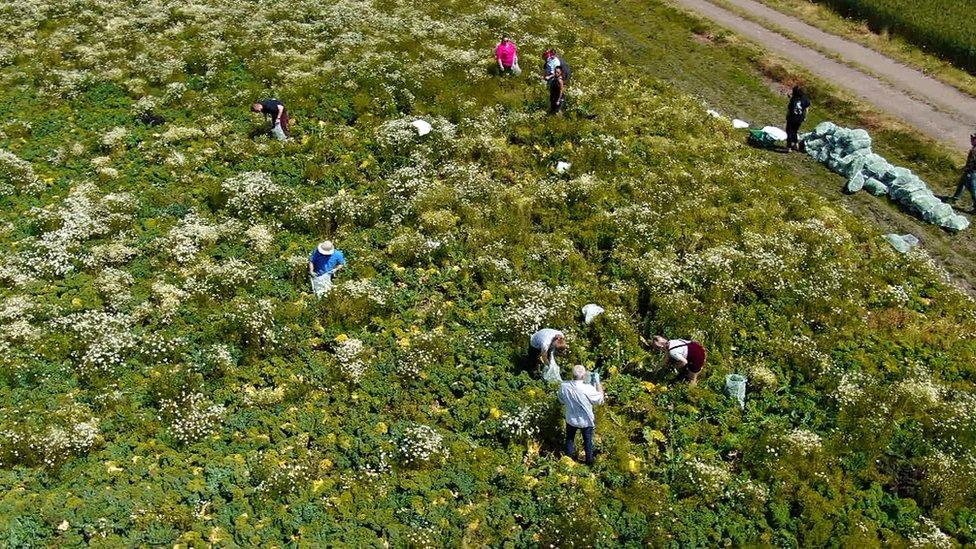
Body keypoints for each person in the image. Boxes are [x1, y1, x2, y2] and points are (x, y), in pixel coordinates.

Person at [558, 364, 605, 465]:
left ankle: (568, 461)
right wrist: (597, 382)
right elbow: (600, 399)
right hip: (586, 420)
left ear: (572, 375)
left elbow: (561, 400)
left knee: (570, 439)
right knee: (588, 441)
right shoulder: (588, 389)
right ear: (584, 376)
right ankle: (589, 462)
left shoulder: (564, 386)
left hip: (571, 418)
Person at [945, 132, 976, 212]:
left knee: (973, 189)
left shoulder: (975, 150)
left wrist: (968, 169)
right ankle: (955, 198)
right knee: (962, 184)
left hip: (971, 173)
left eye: (973, 138)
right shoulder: (974, 149)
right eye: (971, 137)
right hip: (969, 171)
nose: (971, 139)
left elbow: (973, 163)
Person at [785, 86, 810, 152]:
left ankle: (789, 147)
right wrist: (805, 117)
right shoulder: (806, 99)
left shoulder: (793, 99)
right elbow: (807, 109)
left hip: (792, 118)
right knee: (795, 131)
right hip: (800, 118)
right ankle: (796, 144)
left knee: (789, 132)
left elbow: (789, 109)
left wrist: (787, 115)